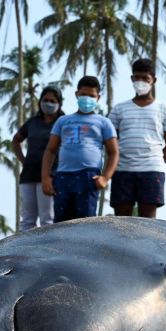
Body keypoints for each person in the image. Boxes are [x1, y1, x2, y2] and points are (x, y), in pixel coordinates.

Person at [41, 75, 119, 222]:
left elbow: (114, 152)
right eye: (83, 94)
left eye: (91, 96)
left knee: (85, 222)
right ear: (77, 94)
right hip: (63, 176)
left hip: (88, 177)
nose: (87, 98)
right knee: (61, 222)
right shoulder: (63, 121)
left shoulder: (104, 122)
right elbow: (50, 150)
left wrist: (105, 177)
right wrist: (45, 178)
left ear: (98, 97)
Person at [108, 58, 166, 218]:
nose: (141, 82)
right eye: (137, 77)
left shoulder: (164, 109)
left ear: (153, 80)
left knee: (148, 221)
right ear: (132, 79)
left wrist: (155, 161)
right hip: (122, 170)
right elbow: (110, 141)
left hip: (152, 170)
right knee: (121, 219)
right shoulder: (119, 109)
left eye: (145, 78)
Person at [12, 85, 64, 230]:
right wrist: (23, 160)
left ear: (59, 103)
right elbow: (16, 140)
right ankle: (24, 251)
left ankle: (47, 251)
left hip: (51, 176)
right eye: (45, 100)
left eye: (52, 101)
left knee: (47, 219)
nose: (48, 103)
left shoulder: (63, 121)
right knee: (27, 220)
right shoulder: (33, 122)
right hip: (28, 175)